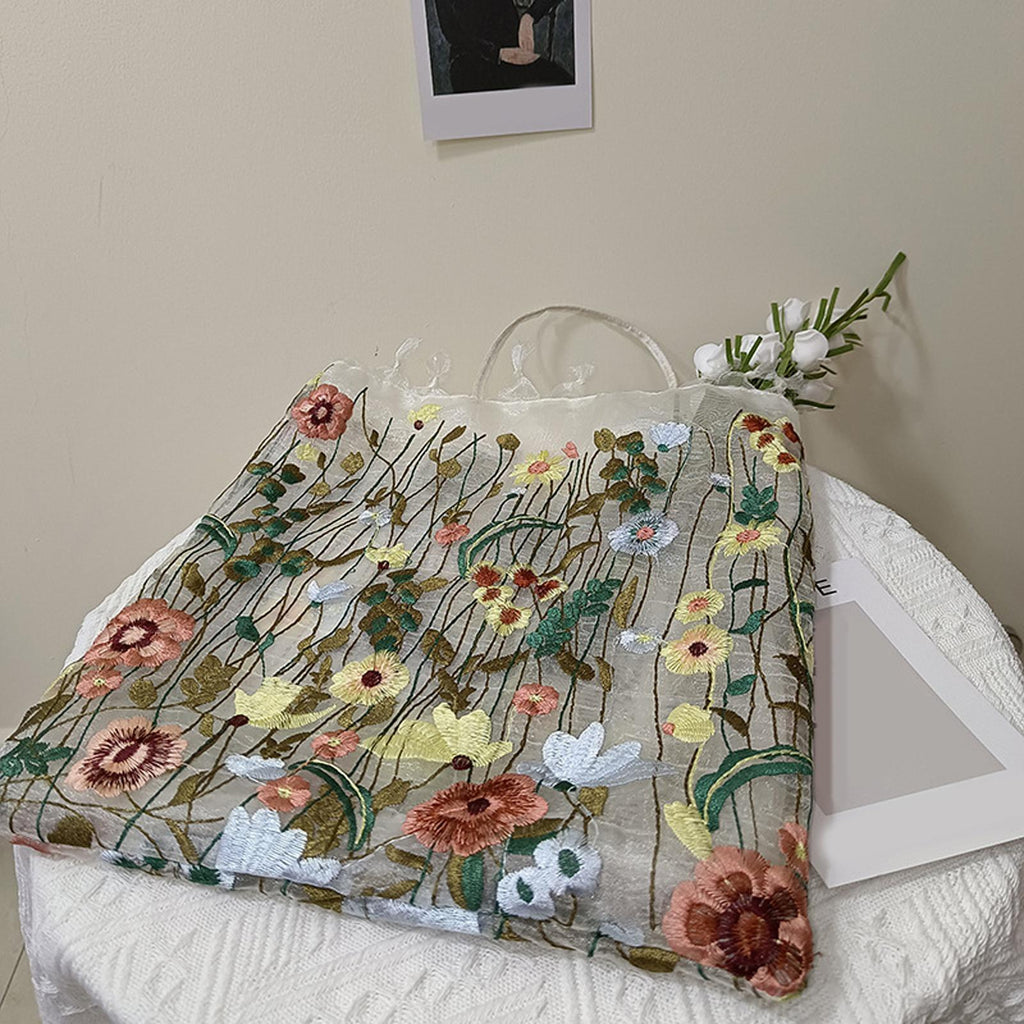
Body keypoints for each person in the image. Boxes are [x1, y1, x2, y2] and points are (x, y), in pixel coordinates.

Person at [433, 0, 573, 94]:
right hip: (472, 61)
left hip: (515, 55)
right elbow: (453, 33)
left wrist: (529, 17)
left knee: (564, 85)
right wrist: (498, 53)